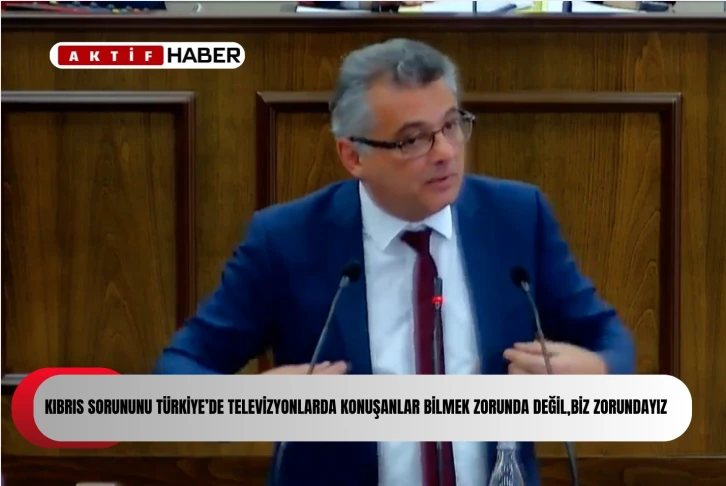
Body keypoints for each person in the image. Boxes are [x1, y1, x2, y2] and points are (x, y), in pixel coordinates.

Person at [155, 38, 636, 486]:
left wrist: (598, 373)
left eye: (451, 125)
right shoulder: (286, 240)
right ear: (353, 156)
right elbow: (177, 370)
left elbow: (610, 340)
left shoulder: (517, 217)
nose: (445, 152)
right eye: (412, 140)